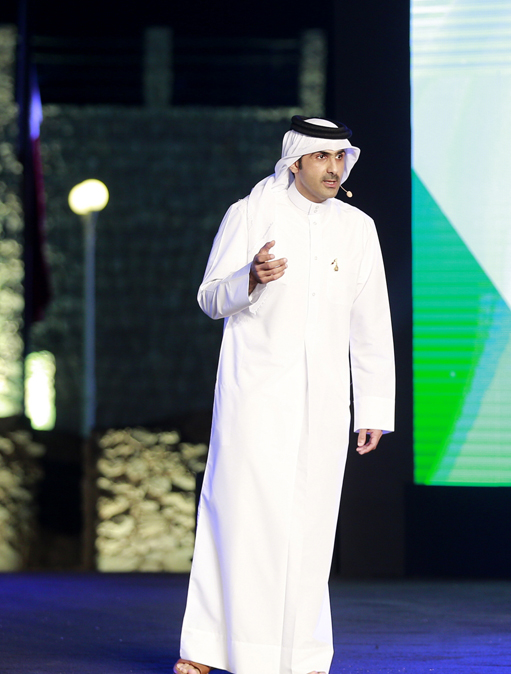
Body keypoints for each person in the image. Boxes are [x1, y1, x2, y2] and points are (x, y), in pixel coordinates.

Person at [175, 116, 395, 674]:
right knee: (242, 521)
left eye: (340, 157)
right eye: (322, 157)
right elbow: (208, 297)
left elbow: (371, 324)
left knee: (311, 526)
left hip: (323, 404)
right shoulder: (250, 214)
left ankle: (299, 658)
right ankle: (205, 650)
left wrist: (373, 407)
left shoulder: (357, 227)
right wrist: (249, 278)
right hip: (256, 398)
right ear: (295, 161)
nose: (334, 167)